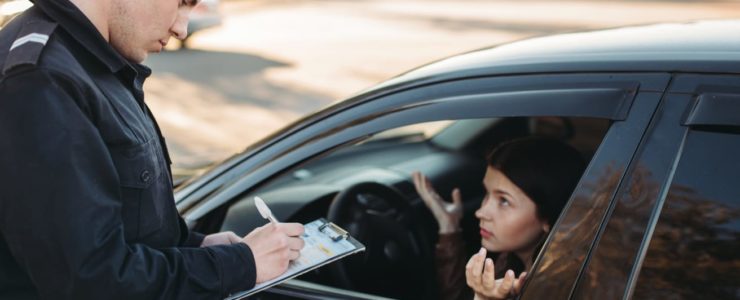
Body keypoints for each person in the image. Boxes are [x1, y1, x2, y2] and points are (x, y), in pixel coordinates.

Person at [0, 0, 304, 299]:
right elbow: (93, 280)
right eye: (183, 2)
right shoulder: (41, 79)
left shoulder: (92, 58)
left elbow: (123, 226)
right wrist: (239, 264)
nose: (181, 29)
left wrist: (197, 248)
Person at [413, 137, 586, 300]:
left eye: (504, 201)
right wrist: (448, 226)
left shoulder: (559, 290)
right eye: (487, 194)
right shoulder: (511, 258)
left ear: (548, 218)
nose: (481, 212)